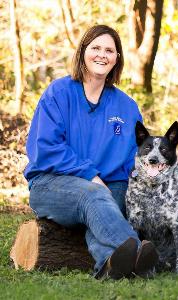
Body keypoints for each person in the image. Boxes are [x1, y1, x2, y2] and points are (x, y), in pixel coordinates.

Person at [24, 24, 158, 279]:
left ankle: (110, 266)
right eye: (95, 47)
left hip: (110, 184)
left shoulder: (127, 107)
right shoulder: (58, 93)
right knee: (94, 195)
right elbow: (46, 149)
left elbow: (136, 158)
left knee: (112, 205)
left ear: (117, 58)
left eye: (109, 50)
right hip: (51, 184)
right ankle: (141, 257)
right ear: (83, 51)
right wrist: (90, 175)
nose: (102, 55)